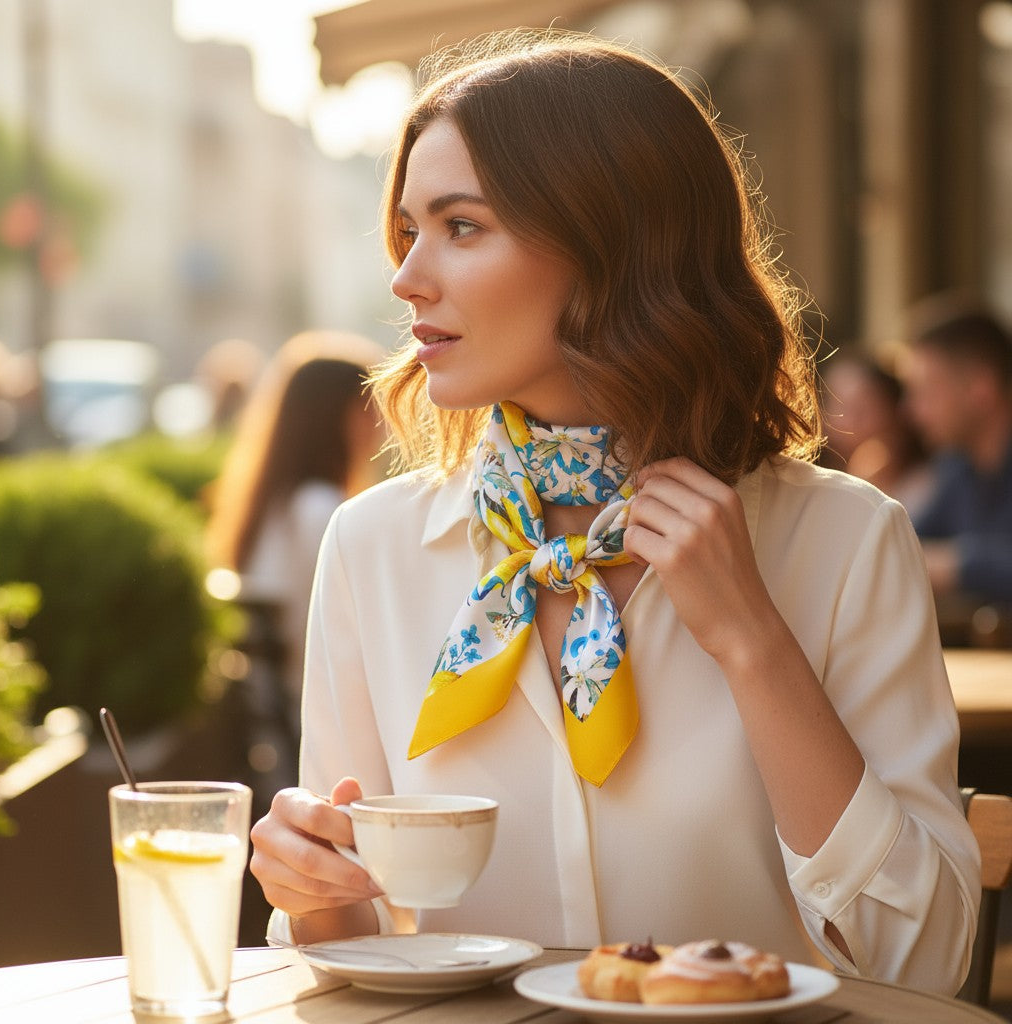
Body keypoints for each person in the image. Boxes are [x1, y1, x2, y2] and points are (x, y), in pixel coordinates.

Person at [249, 30, 979, 995]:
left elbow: (923, 965)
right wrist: (311, 891)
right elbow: (361, 957)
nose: (406, 276)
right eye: (408, 230)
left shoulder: (845, 542)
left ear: (612, 246)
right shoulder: (374, 546)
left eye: (461, 226)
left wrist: (753, 641)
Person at [205, 329, 385, 712]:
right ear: (333, 416)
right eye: (368, 408)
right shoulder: (322, 511)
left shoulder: (275, 503)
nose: (381, 424)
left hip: (279, 710)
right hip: (320, 708)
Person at [899, 294, 1012, 607]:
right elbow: (905, 543)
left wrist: (957, 565)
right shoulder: (956, 467)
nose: (910, 411)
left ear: (980, 388)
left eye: (925, 392)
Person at [818, 345, 934, 517]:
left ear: (894, 411)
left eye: (861, 410)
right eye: (837, 407)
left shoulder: (926, 484)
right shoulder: (809, 480)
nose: (846, 421)